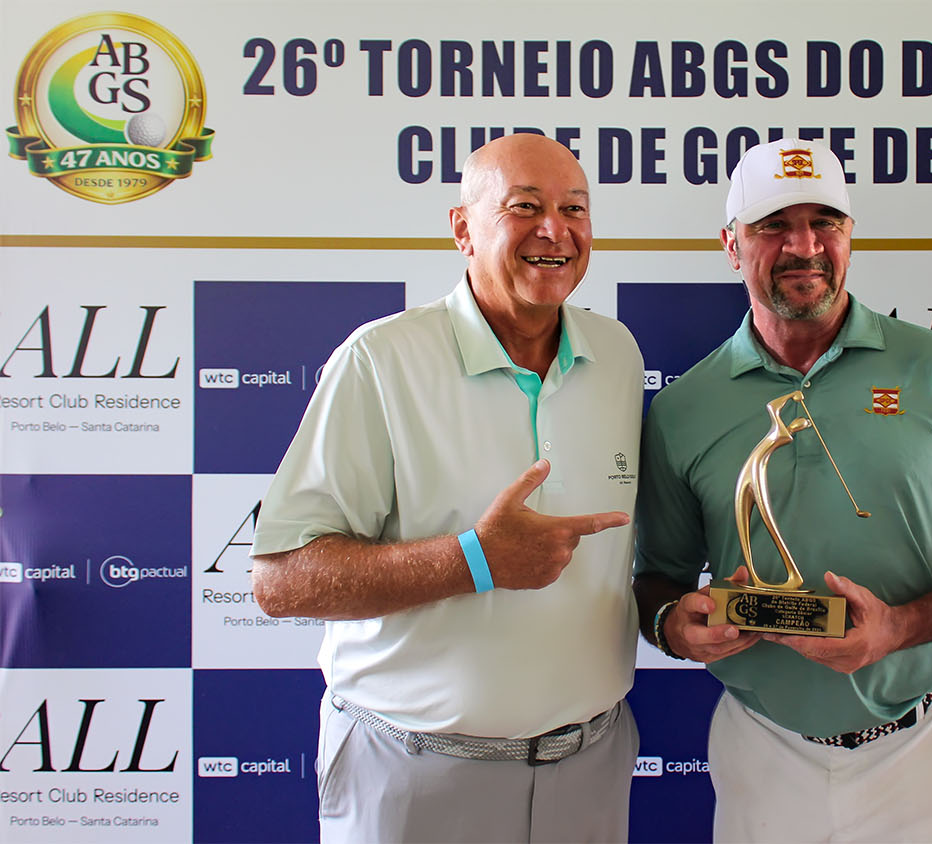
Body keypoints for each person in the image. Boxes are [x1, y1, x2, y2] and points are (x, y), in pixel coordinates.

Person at [633, 138, 932, 843]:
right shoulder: (683, 409)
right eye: (774, 225)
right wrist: (677, 625)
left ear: (849, 235)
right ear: (731, 245)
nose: (805, 245)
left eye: (825, 221)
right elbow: (658, 582)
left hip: (922, 751)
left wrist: (900, 627)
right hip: (762, 749)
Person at [251, 133, 644, 844]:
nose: (554, 230)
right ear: (463, 228)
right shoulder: (380, 360)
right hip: (415, 778)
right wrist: (474, 560)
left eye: (574, 209)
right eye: (524, 206)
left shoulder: (617, 353)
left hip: (591, 767)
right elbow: (281, 581)